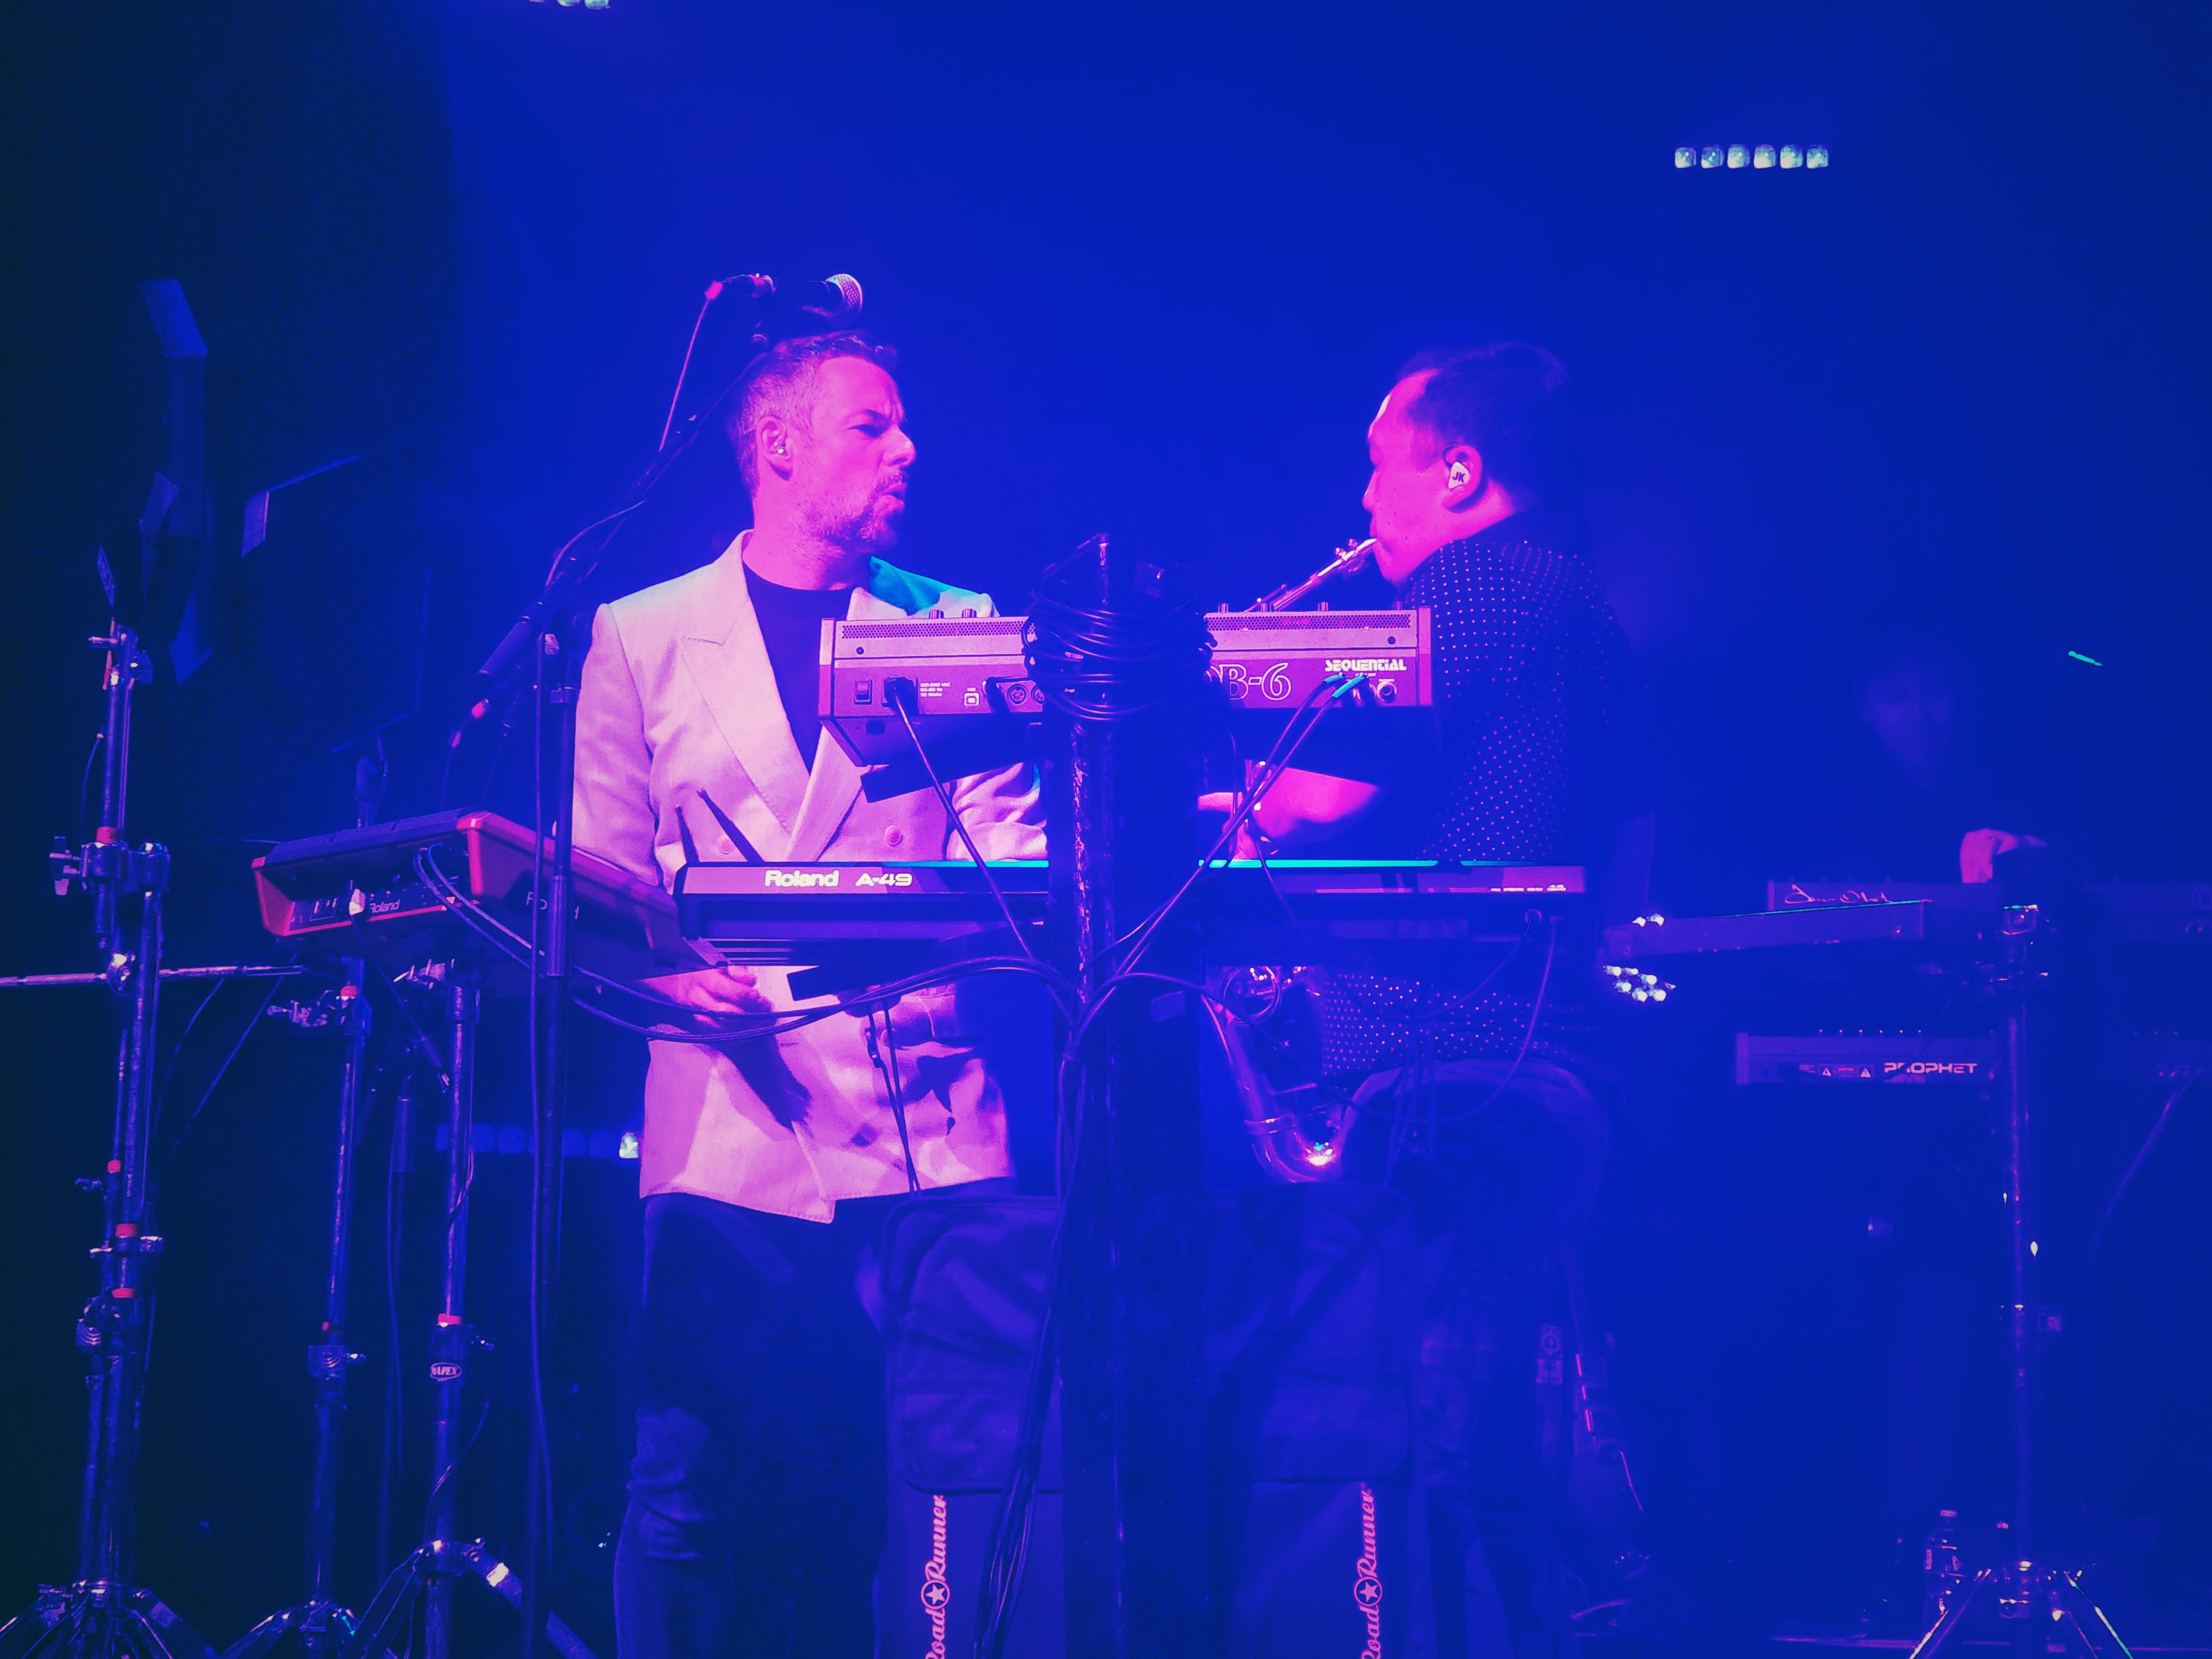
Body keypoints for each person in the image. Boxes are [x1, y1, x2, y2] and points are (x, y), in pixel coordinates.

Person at [572, 331, 1045, 1656]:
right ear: (777, 446)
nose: (907, 451)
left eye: (901, 427)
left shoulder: (955, 626)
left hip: (925, 1124)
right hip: (731, 1125)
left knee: (929, 1489)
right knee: (687, 1484)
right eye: (871, 426)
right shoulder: (642, 633)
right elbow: (603, 882)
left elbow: (1010, 860)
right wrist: (679, 984)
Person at [1208, 343, 1653, 1657]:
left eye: (1377, 466)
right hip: (1536, 1074)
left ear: (1459, 472)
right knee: (1486, 1449)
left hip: (1449, 1078)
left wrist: (1232, 789)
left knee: (1416, 1440)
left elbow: (1322, 792)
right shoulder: (1583, 600)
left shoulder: (1474, 583)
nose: (1361, 502)